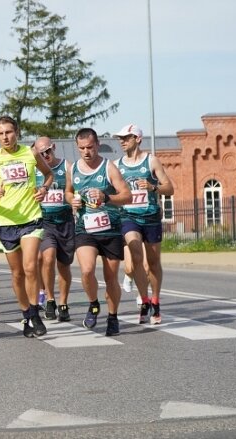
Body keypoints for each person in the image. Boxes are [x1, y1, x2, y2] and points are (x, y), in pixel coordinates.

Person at [0, 116, 53, 338]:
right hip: (7, 222)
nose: (5, 137)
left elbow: (49, 174)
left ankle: (35, 313)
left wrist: (44, 189)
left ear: (17, 132)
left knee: (30, 266)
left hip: (31, 218)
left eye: (8, 132)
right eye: (0, 134)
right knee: (17, 273)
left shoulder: (30, 153)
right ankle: (26, 314)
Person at [65, 128, 132, 336]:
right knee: (86, 270)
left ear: (97, 145)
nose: (86, 152)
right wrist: (71, 200)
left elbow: (127, 196)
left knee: (111, 278)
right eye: (82, 148)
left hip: (110, 228)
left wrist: (106, 197)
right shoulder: (73, 169)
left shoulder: (108, 168)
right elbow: (68, 191)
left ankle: (113, 317)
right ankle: (94, 304)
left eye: (90, 147)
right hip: (85, 228)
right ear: (77, 147)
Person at [113, 123, 174, 325]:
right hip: (129, 217)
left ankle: (155, 301)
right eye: (120, 138)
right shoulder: (117, 165)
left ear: (137, 139)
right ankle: (144, 300)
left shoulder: (151, 161)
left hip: (151, 217)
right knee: (136, 256)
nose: (122, 141)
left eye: (126, 137)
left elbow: (169, 188)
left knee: (154, 264)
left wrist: (152, 187)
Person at [33, 137, 75, 322]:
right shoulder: (35, 170)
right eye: (41, 153)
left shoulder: (67, 166)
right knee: (47, 258)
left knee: (64, 265)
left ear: (54, 148)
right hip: (44, 221)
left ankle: (63, 302)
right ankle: (50, 298)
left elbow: (73, 190)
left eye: (48, 151)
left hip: (65, 221)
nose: (45, 156)